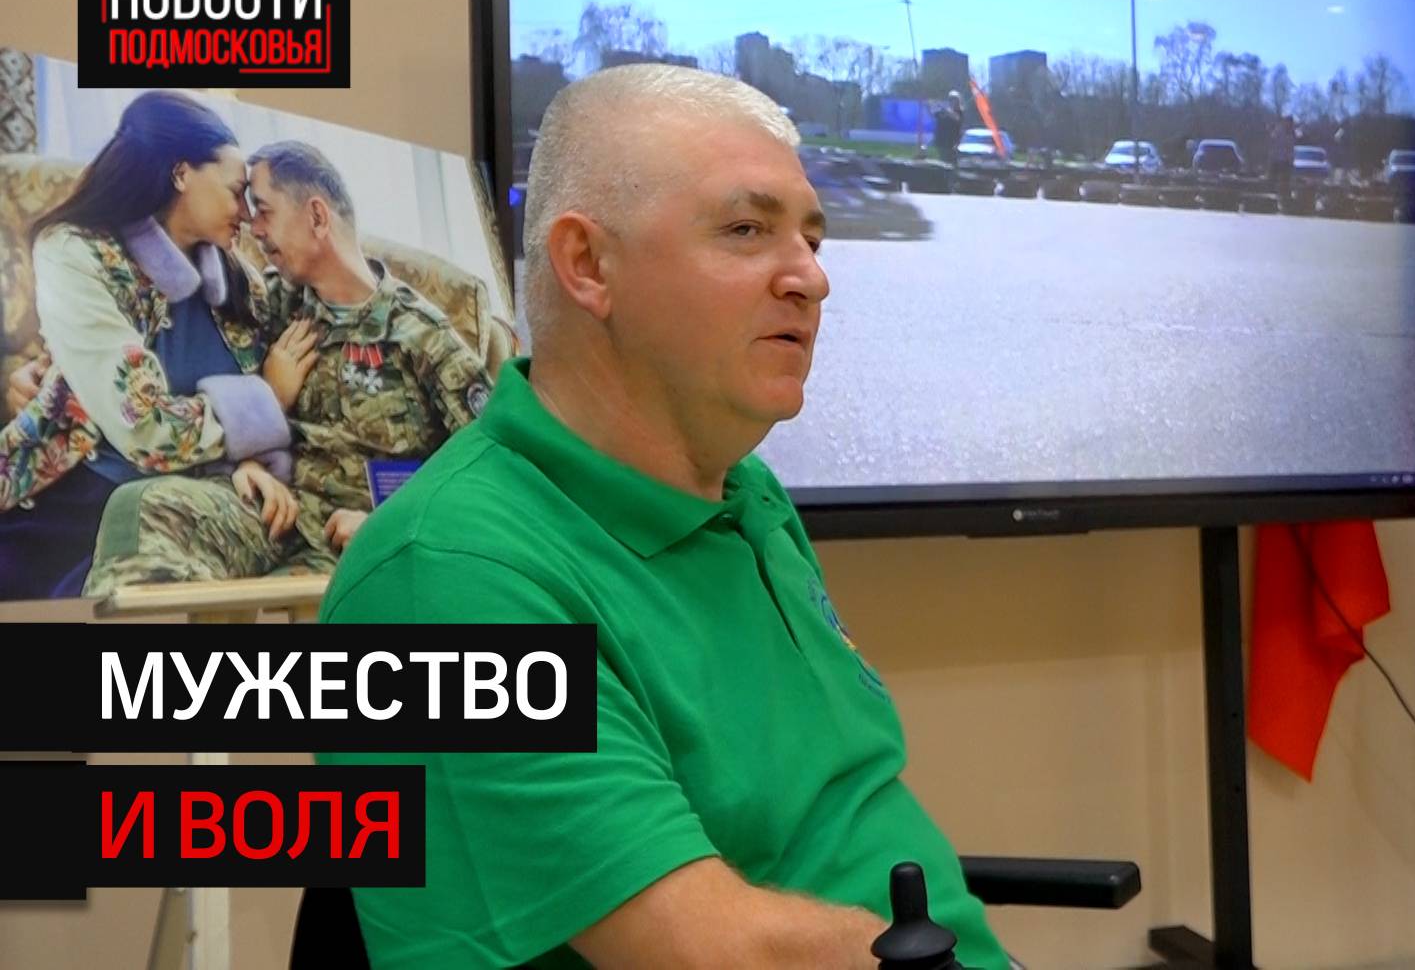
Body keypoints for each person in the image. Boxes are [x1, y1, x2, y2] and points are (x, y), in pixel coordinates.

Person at [315, 64, 1007, 969]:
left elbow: (829, 818)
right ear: (588, 264)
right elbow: (706, 952)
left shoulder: (746, 493)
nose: (811, 278)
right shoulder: (444, 578)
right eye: (747, 229)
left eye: (811, 238)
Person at [79, 140, 494, 593]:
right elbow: (207, 390)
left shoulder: (421, 334)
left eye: (263, 211)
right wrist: (243, 463)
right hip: (270, 514)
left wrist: (390, 524)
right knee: (144, 507)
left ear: (316, 217)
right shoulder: (270, 303)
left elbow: (493, 466)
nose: (252, 228)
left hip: (357, 543)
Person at [0, 91, 314, 600]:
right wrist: (267, 400)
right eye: (236, 191)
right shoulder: (75, 253)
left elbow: (262, 433)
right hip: (70, 501)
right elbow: (143, 426)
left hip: (186, 509)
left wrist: (248, 461)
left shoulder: (244, 287)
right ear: (182, 173)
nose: (245, 213)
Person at [932, 89, 964, 166]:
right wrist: (929, 106)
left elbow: (957, 118)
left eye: (954, 100)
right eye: (951, 100)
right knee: (943, 162)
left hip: (952, 142)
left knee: (951, 162)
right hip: (941, 141)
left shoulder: (959, 112)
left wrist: (946, 110)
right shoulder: (944, 112)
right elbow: (935, 115)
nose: (952, 102)